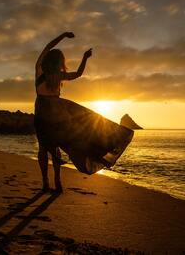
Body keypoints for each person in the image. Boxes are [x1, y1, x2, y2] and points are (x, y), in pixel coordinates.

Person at [34, 32, 133, 194]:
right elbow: (79, 74)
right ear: (59, 63)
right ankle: (57, 182)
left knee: (44, 149)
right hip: (59, 115)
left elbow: (47, 46)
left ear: (46, 60)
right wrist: (85, 57)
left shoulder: (39, 70)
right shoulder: (59, 76)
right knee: (59, 147)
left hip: (42, 115)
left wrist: (63, 36)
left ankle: (45, 183)